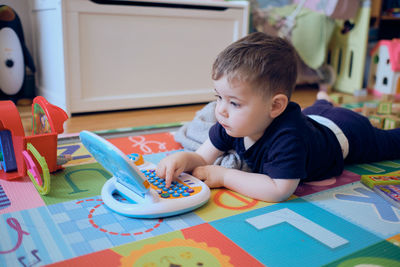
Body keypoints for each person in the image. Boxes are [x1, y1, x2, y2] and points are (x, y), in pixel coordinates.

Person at [156, 32, 400, 202]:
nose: (220, 109)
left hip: (349, 132)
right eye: (218, 97)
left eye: (234, 102)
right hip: (314, 119)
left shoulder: (288, 138)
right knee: (313, 112)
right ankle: (323, 100)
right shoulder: (229, 121)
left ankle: (325, 102)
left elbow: (279, 189)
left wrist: (225, 175)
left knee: (390, 143)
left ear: (275, 106)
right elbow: (201, 157)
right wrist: (181, 159)